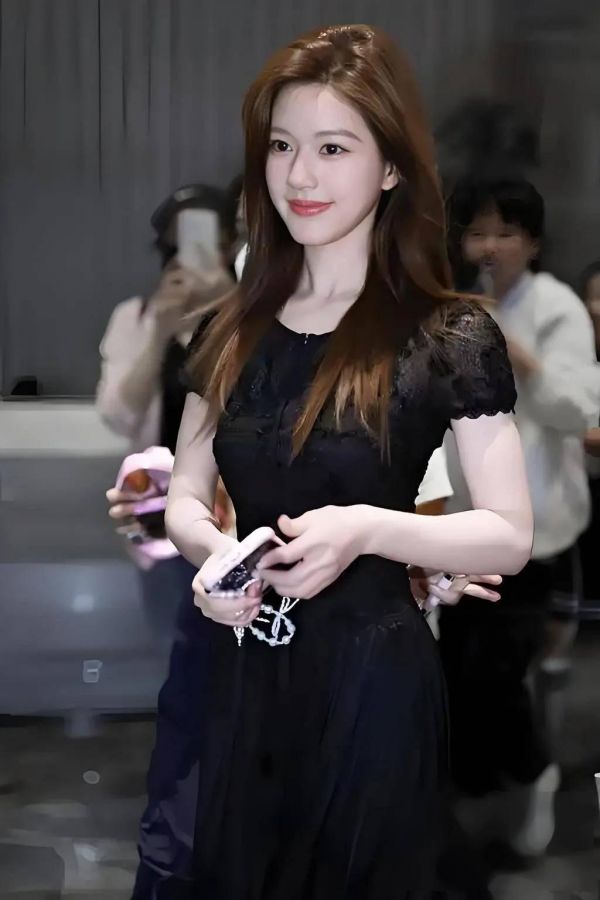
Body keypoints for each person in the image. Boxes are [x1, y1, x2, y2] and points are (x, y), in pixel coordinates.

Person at [131, 26, 532, 898]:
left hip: (371, 681)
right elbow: (187, 498)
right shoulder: (228, 329)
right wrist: (216, 561)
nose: (299, 177)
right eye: (281, 147)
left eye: (333, 148)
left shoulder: (448, 334)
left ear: (390, 168)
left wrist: (366, 530)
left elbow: (508, 532)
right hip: (243, 674)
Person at [441, 177, 600, 857]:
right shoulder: (449, 308)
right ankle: (482, 796)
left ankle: (533, 777)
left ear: (532, 242)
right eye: (477, 232)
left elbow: (577, 410)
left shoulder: (557, 306)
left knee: (496, 674)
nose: (489, 246)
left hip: (534, 532)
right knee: (455, 671)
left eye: (505, 233)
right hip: (458, 526)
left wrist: (508, 343)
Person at [97, 184, 235, 641]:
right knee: (172, 637)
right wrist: (159, 332)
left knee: (238, 639)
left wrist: (230, 310)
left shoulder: (255, 320)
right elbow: (117, 414)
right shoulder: (136, 318)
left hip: (237, 511)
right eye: (179, 244)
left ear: (230, 247)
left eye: (207, 241)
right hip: (158, 508)